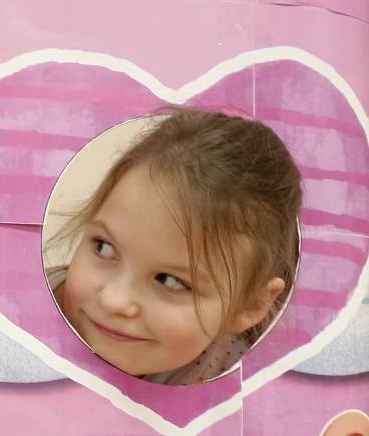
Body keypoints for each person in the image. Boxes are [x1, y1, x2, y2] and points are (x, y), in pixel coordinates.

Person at [46, 108, 302, 385]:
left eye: (169, 281)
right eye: (104, 248)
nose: (113, 300)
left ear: (250, 305)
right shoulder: (25, 305)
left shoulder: (233, 384)